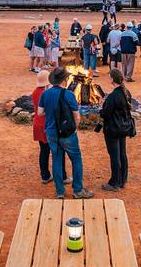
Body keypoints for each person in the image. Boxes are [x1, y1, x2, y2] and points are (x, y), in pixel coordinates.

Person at [38, 67, 94, 199]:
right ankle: (78, 190)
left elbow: (40, 113)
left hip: (51, 132)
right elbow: (77, 115)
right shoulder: (68, 94)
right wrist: (75, 128)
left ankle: (60, 191)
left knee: (56, 159)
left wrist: (50, 113)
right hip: (67, 133)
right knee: (76, 159)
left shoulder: (45, 94)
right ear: (64, 80)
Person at [32, 71, 69, 185]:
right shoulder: (46, 93)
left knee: (44, 151)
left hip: (37, 124)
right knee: (58, 151)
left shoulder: (35, 92)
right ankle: (62, 176)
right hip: (48, 125)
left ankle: (45, 175)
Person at [99, 69, 132, 191]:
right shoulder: (126, 92)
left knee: (114, 156)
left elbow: (105, 114)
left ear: (112, 79)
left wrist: (101, 106)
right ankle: (123, 179)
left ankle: (114, 183)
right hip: (123, 128)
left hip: (112, 129)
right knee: (122, 153)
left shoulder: (113, 96)